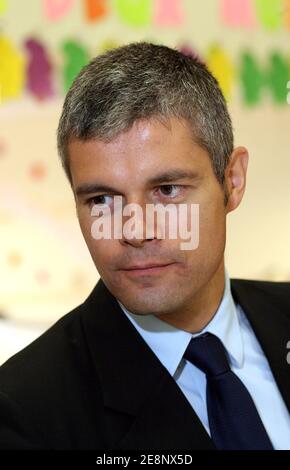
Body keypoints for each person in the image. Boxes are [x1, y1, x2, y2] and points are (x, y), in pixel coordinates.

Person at [0, 42, 289, 451]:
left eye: (167, 190)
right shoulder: (24, 413)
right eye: (101, 199)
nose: (135, 230)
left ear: (233, 181)